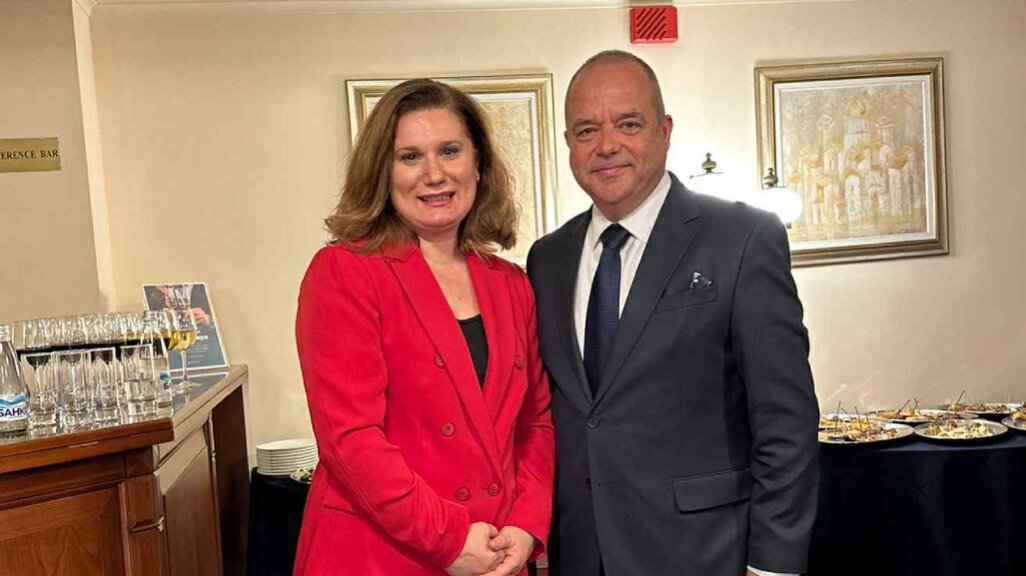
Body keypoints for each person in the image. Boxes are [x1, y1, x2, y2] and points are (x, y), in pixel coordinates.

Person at [526, 51, 818, 576]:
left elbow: (785, 419)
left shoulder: (743, 238)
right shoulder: (547, 260)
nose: (606, 145)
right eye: (587, 130)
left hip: (706, 554)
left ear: (664, 132)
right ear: (569, 144)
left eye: (628, 124)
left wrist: (773, 565)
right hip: (580, 553)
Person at [294, 78, 554, 576]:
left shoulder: (511, 283)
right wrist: (448, 539)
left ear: (478, 163)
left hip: (497, 552)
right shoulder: (344, 271)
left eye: (449, 151)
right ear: (383, 172)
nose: (434, 174)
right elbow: (350, 438)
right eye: (409, 157)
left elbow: (535, 421)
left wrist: (526, 525)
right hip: (383, 553)